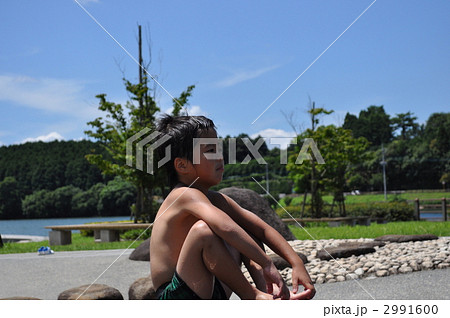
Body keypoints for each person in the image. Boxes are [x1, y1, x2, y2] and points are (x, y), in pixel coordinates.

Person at [149, 114, 315, 300]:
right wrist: (267, 263)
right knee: (204, 232)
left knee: (246, 231)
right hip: (173, 298)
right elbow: (225, 226)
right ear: (182, 165)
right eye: (211, 150)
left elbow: (261, 228)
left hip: (207, 290)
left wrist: (296, 262)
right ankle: (254, 297)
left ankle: (272, 294)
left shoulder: (215, 199)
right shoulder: (182, 195)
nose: (220, 156)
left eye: (219, 148)